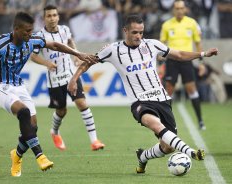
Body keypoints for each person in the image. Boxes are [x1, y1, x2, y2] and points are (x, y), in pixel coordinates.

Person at [67, 14, 218, 174]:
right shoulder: (113, 50)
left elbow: (179, 55)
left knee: (167, 147)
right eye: (134, 32)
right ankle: (190, 152)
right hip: (140, 102)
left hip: (162, 99)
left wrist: (203, 54)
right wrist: (74, 79)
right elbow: (89, 61)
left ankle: (143, 156)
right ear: (125, 30)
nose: (138, 36)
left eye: (141, 32)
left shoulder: (152, 45)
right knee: (155, 124)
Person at [0, 11, 94, 177]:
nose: (30, 33)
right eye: (26, 31)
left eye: (31, 30)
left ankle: (17, 155)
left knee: (32, 126)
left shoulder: (32, 40)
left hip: (17, 85)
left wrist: (78, 54)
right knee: (24, 112)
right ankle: (40, 156)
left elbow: (55, 45)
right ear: (16, 29)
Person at [30, 5, 105, 151]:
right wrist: (46, 63)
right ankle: (55, 132)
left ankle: (94, 140)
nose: (52, 18)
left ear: (58, 16)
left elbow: (70, 42)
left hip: (71, 75)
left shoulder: (65, 29)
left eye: (54, 15)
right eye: (49, 16)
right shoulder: (39, 36)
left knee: (82, 103)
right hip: (55, 79)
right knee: (61, 111)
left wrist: (75, 55)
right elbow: (33, 56)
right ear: (44, 19)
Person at [160, 0, 206, 130]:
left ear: (185, 9)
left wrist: (201, 63)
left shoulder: (192, 23)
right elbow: (161, 44)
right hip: (172, 61)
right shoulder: (166, 25)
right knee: (169, 90)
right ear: (173, 10)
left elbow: (198, 43)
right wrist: (160, 62)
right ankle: (167, 122)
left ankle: (200, 121)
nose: (179, 10)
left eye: (181, 8)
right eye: (177, 8)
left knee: (191, 89)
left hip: (186, 61)